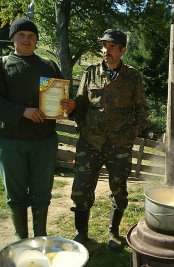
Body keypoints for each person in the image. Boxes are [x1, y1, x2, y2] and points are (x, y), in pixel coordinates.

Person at [62, 29, 149, 250]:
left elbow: (142, 110)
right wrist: (74, 111)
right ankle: (81, 232)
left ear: (122, 50)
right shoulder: (90, 73)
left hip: (119, 145)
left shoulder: (133, 76)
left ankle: (113, 232)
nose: (106, 50)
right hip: (90, 142)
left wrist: (132, 133)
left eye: (111, 47)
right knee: (81, 188)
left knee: (118, 190)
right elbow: (80, 104)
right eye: (104, 46)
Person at [0, 18, 63, 240]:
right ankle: (21, 238)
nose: (27, 40)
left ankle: (40, 236)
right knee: (16, 191)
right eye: (21, 35)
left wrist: (69, 104)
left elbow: (62, 96)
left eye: (31, 36)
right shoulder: (2, 64)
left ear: (36, 41)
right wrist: (21, 111)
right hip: (11, 140)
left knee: (42, 190)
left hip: (44, 140)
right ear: (13, 38)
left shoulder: (48, 65)